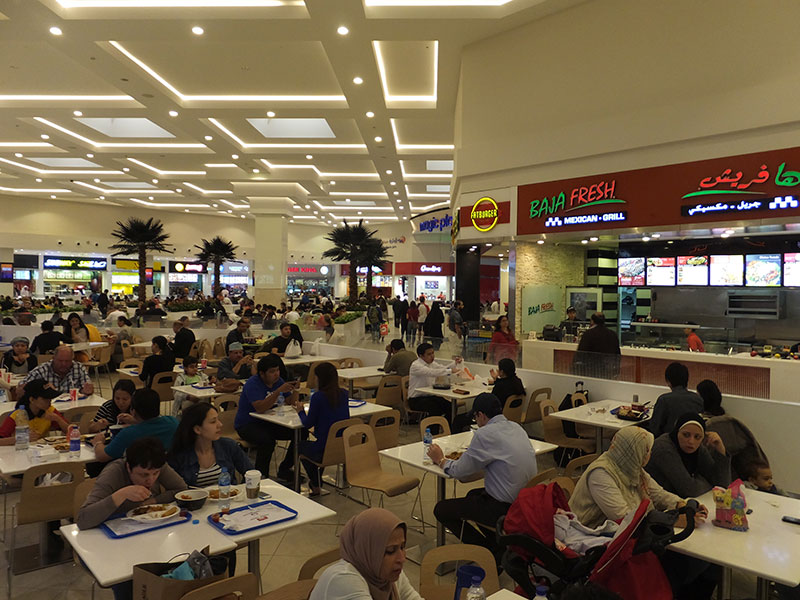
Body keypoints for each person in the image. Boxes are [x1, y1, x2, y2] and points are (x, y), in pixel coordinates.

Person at [428, 393, 538, 558]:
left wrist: (441, 460)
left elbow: (460, 471)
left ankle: (488, 552)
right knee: (472, 495)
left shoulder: (484, 435)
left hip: (504, 507)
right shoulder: (516, 427)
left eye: (475, 417)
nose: (476, 422)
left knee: (441, 509)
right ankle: (497, 544)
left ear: (481, 415)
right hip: (526, 502)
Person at [310, 508, 422, 600]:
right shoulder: (344, 580)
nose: (402, 559)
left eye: (402, 547)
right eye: (390, 551)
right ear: (369, 551)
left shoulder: (387, 573)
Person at [235, 354, 301, 481]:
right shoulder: (252, 384)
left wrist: (296, 390)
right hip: (247, 424)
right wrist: (278, 392)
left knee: (300, 433)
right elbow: (260, 408)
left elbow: (290, 402)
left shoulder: (279, 381)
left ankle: (285, 468)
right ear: (262, 373)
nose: (276, 374)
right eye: (272, 372)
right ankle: (260, 476)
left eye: (277, 370)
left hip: (270, 422)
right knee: (267, 440)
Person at [290, 362, 350, 495]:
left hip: (324, 448)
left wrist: (300, 411)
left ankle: (316, 483)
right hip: (342, 446)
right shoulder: (344, 394)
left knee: (299, 446)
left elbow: (307, 424)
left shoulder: (318, 397)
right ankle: (316, 482)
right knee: (317, 445)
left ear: (319, 378)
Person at [646, 413, 731, 498]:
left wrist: (721, 449)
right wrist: (709, 484)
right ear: (677, 432)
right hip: (655, 503)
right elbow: (690, 490)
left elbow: (721, 484)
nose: (691, 441)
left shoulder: (697, 447)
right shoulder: (664, 449)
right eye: (686, 435)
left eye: (697, 437)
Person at [168, 403, 253, 487]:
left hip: (227, 498)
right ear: (197, 429)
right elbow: (174, 490)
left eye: (218, 420)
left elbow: (251, 473)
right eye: (213, 422)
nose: (220, 425)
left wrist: (241, 492)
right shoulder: (179, 454)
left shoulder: (228, 446)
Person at [91, 388, 179, 463]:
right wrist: (136, 421)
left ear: (133, 411)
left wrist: (98, 443)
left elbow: (102, 456)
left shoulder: (129, 434)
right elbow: (151, 425)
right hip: (167, 469)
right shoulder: (173, 423)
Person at [408, 342, 463, 426]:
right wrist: (450, 371)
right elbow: (432, 372)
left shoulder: (432, 364)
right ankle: (433, 432)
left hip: (430, 396)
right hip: (416, 398)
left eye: (433, 353)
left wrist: (454, 363)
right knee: (435, 409)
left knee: (450, 406)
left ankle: (448, 428)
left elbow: (443, 368)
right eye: (429, 354)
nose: (432, 356)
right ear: (421, 356)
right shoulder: (416, 365)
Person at [0, 379, 69, 444]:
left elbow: (71, 431)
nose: (49, 401)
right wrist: (22, 438)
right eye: (45, 398)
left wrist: (58, 420)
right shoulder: (17, 415)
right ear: (32, 399)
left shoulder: (50, 411)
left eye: (50, 398)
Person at [647, 362, 703, 437]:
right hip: (692, 442)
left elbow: (654, 429)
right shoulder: (698, 399)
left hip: (668, 442)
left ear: (668, 381)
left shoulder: (664, 400)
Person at [20, 346, 94, 395]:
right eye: (60, 361)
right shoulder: (41, 370)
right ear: (53, 358)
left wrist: (86, 391)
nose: (64, 364)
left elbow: (85, 388)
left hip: (73, 408)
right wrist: (42, 388)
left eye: (67, 361)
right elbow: (21, 388)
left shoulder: (78, 367)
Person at [574, 312, 621, 378]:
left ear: (592, 321)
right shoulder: (613, 334)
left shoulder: (588, 334)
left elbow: (581, 353)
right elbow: (617, 354)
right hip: (608, 371)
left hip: (592, 371)